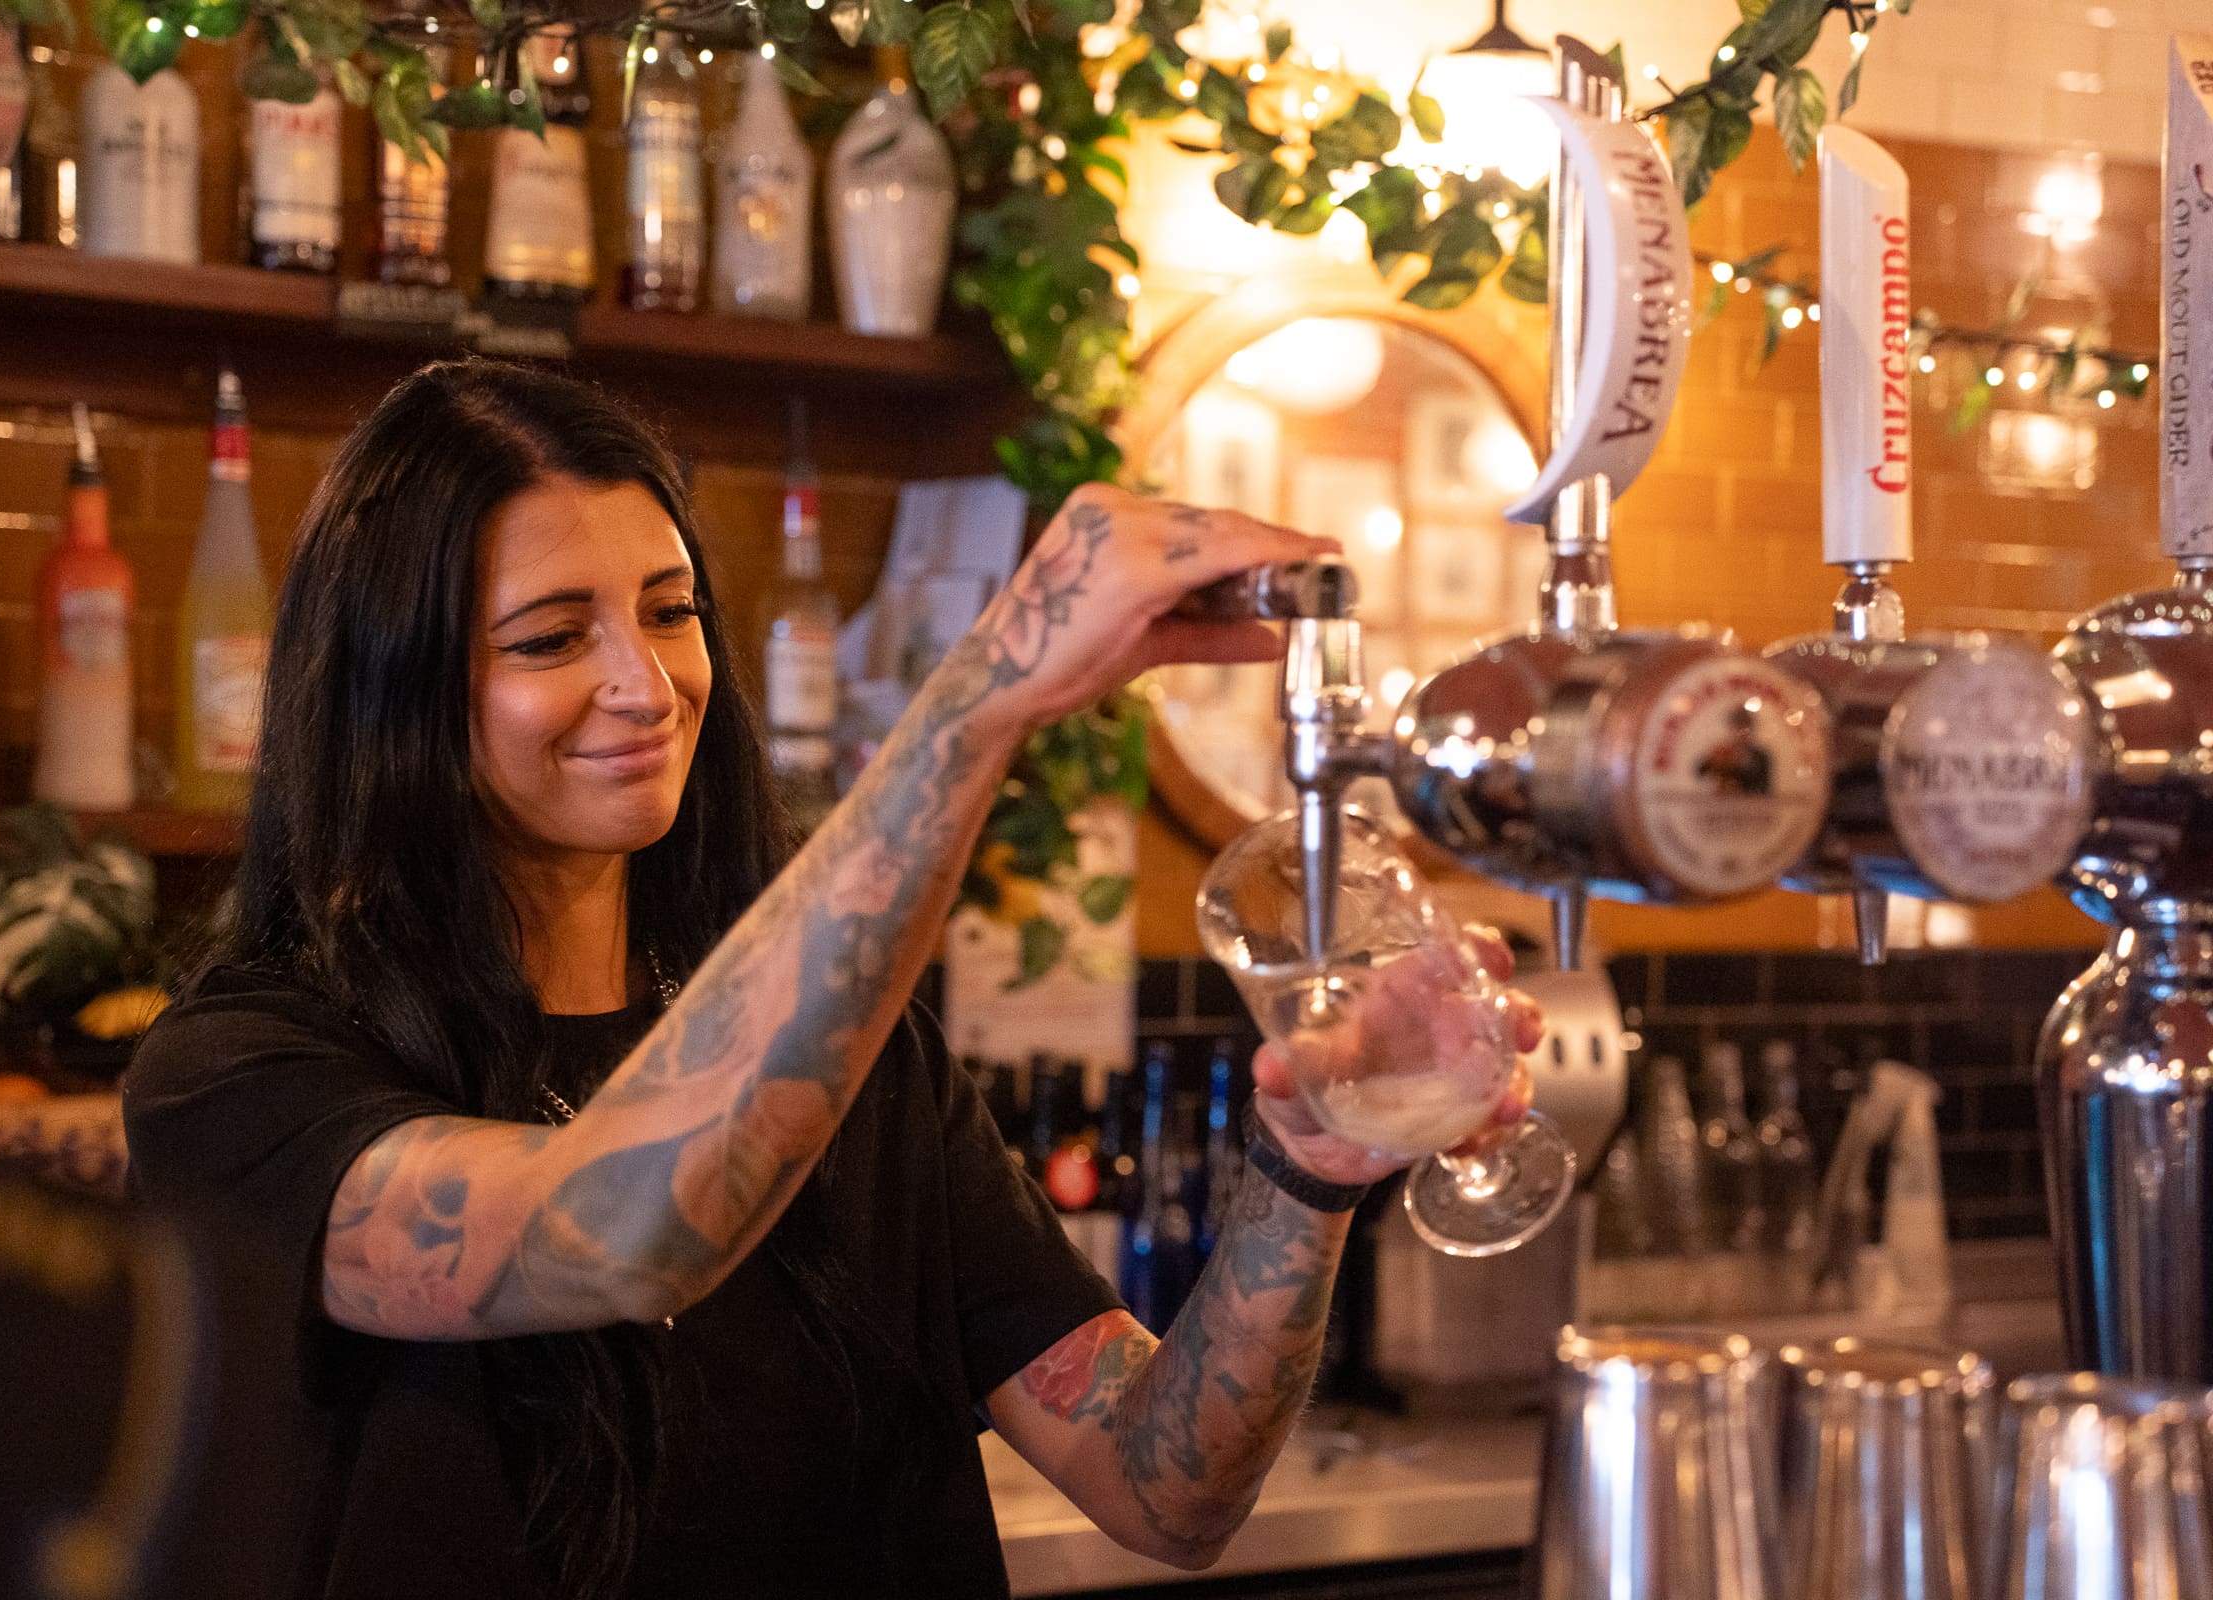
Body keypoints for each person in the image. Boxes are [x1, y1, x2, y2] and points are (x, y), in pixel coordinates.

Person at [122, 359, 1543, 1599]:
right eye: (552, 638)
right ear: (394, 694)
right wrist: (985, 695)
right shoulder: (244, 1078)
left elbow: (1166, 1489)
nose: (648, 683)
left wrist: (1307, 1175)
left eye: (671, 613)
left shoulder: (853, 1060)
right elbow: (625, 1230)